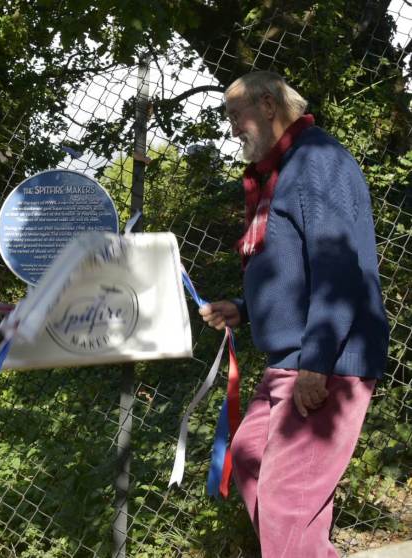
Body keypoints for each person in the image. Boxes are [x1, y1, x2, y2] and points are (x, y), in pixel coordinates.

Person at [200, 71, 389, 557]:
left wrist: (317, 363)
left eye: (235, 115)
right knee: (249, 459)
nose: (232, 128)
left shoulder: (317, 161)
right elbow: (295, 269)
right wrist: (244, 309)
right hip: (291, 358)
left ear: (267, 105)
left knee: (286, 500)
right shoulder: (283, 170)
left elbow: (338, 269)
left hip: (327, 360)